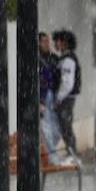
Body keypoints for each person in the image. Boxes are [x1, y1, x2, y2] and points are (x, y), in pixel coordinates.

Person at [52, 29, 81, 160]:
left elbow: (67, 83)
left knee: (65, 125)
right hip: (67, 97)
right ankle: (71, 151)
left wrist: (58, 98)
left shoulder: (68, 60)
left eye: (57, 41)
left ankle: (72, 152)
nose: (55, 44)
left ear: (65, 43)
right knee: (65, 125)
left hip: (66, 98)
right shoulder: (64, 58)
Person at [38, 33, 61, 165]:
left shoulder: (53, 59)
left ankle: (48, 153)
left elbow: (57, 77)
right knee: (46, 128)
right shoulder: (38, 59)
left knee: (56, 130)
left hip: (53, 95)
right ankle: (52, 158)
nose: (47, 44)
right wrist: (40, 100)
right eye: (44, 41)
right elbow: (42, 80)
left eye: (48, 41)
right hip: (44, 96)